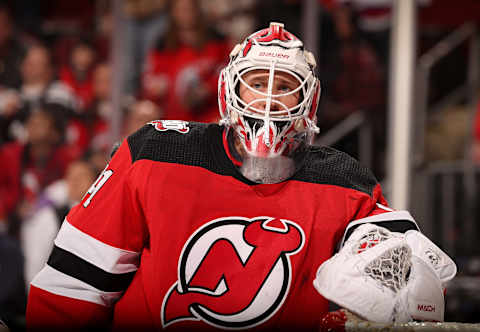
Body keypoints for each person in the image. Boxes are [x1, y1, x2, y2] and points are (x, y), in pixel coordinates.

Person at [26, 22, 456, 331]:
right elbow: (72, 286)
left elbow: (406, 259)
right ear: (228, 89)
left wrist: (400, 276)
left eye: (284, 84)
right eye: (255, 81)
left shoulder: (343, 180)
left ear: (310, 99)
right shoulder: (155, 153)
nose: (268, 97)